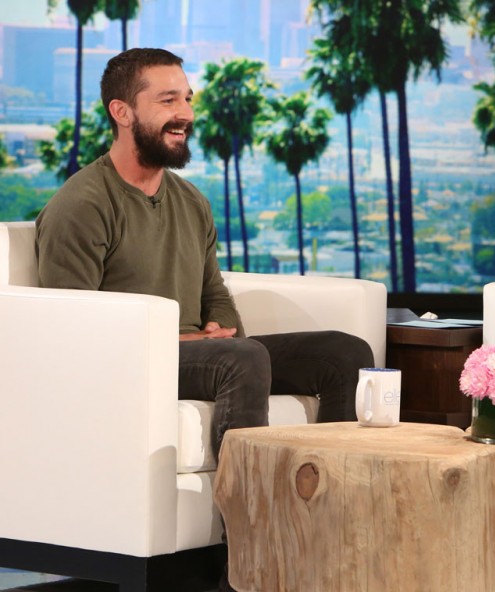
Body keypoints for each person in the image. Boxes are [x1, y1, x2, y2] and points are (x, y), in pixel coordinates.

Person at [35, 47, 374, 587]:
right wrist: (186, 339)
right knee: (240, 358)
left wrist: (215, 327)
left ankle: (322, 533)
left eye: (187, 98)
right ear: (121, 112)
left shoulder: (190, 200)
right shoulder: (84, 203)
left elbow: (215, 293)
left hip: (202, 353)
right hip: (128, 363)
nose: (185, 113)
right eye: (167, 99)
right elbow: (75, 326)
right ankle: (246, 555)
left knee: (343, 354)